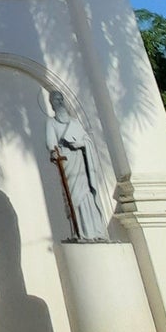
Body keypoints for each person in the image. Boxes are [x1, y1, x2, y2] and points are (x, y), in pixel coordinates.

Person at [45, 89, 108, 241]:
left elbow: (86, 139)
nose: (59, 102)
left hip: (81, 161)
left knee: (87, 195)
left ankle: (94, 231)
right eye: (55, 100)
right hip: (67, 162)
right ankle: (80, 231)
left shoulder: (74, 122)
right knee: (73, 197)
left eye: (61, 99)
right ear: (52, 104)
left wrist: (81, 144)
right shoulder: (52, 123)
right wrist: (55, 152)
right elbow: (51, 144)